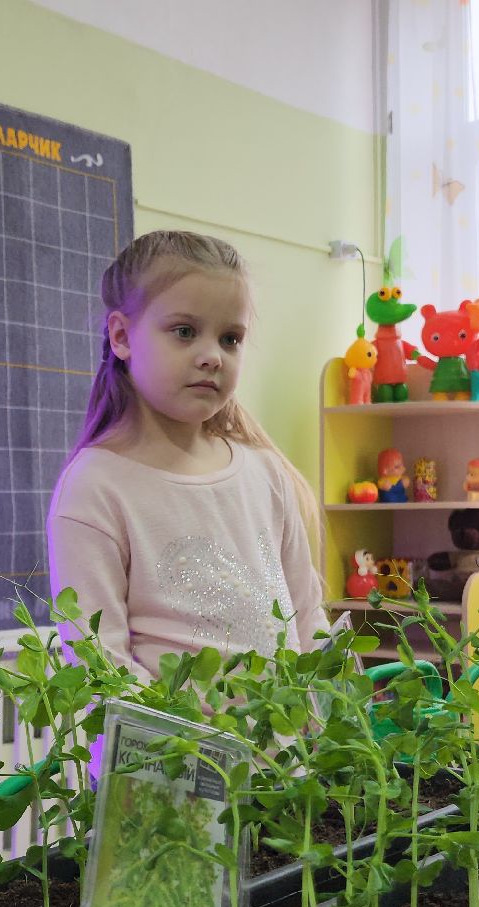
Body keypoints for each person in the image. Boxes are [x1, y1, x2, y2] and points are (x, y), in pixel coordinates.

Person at [47, 230, 327, 679]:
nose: (213, 356)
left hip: (288, 729)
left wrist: (332, 709)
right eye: (185, 332)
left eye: (230, 338)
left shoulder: (265, 472)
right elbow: (101, 666)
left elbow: (309, 621)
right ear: (121, 336)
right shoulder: (95, 487)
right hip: (164, 730)